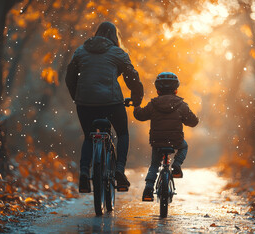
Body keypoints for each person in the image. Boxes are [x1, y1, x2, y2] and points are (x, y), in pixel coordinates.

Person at [65, 21, 143, 193]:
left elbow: (69, 78)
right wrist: (136, 99)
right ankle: (119, 170)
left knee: (88, 137)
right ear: (114, 36)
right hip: (111, 103)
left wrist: (77, 97)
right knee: (122, 133)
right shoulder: (118, 53)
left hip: (85, 104)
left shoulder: (80, 51)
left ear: (97, 33)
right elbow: (133, 79)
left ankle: (85, 172)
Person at [133, 72, 199, 201]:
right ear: (176, 89)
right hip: (176, 141)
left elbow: (140, 115)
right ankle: (176, 165)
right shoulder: (181, 105)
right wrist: (194, 118)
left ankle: (148, 188)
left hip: (157, 141)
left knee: (154, 165)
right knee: (184, 146)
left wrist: (136, 107)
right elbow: (193, 122)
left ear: (157, 89)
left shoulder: (153, 104)